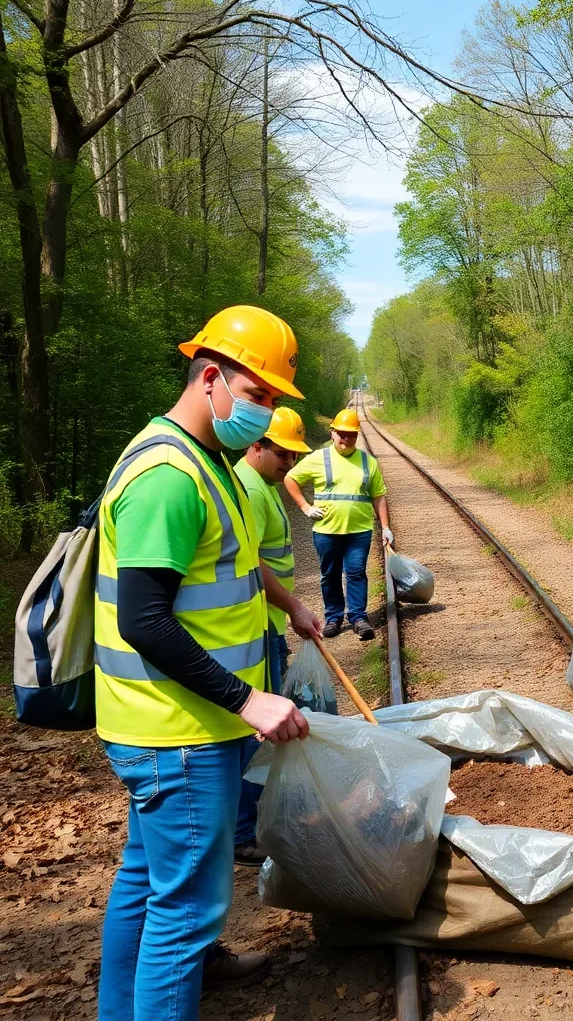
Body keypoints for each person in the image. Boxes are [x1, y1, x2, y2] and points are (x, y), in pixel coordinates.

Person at [95, 305, 319, 1020]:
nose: (265, 413)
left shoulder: (206, 462)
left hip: (177, 724)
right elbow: (144, 620)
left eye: (275, 401)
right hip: (177, 730)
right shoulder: (168, 475)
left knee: (147, 879)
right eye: (259, 396)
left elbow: (231, 568)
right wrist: (247, 700)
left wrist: (286, 606)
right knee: (187, 911)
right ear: (211, 377)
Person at [232, 406, 315, 866]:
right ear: (257, 446)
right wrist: (294, 607)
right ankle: (245, 832)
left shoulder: (261, 485)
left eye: (293, 455)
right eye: (283, 453)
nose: (290, 463)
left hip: (269, 622)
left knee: (263, 732)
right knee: (257, 733)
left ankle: (253, 819)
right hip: (259, 626)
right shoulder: (248, 487)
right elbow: (254, 565)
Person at [284, 407, 392, 641]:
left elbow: (379, 496)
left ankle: (358, 617)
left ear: (356, 435)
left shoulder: (368, 462)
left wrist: (385, 527)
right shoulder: (318, 458)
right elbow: (290, 478)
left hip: (359, 531)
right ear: (332, 433)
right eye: (341, 433)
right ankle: (333, 617)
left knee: (356, 573)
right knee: (330, 574)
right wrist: (305, 507)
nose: (345, 438)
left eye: (350, 434)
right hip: (326, 531)